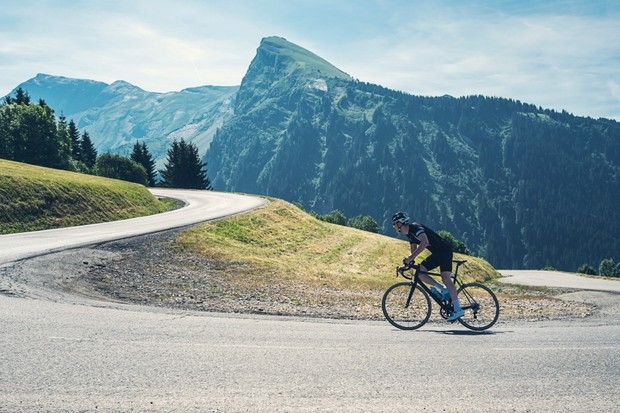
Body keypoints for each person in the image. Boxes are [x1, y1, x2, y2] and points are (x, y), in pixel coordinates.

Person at [391, 212, 464, 321]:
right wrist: (406, 266)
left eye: (394, 224)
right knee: (420, 272)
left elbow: (425, 242)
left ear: (399, 223)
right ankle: (443, 290)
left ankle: (458, 309)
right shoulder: (409, 235)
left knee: (446, 278)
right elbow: (413, 254)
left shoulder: (415, 227)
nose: (393, 227)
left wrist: (410, 258)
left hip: (444, 251)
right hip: (436, 253)